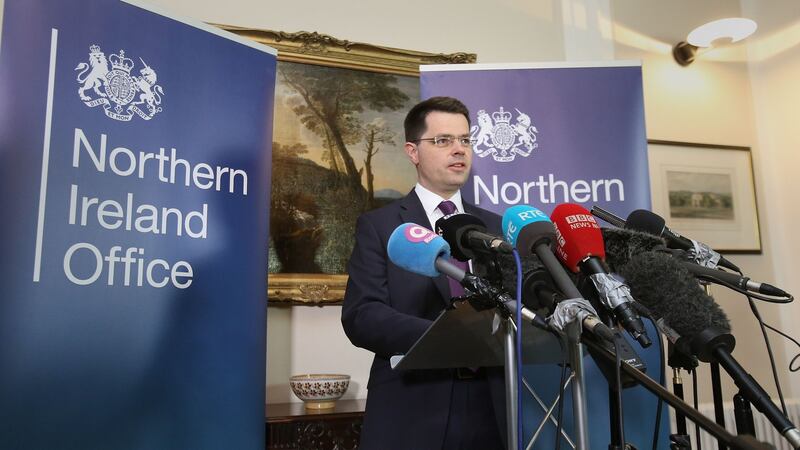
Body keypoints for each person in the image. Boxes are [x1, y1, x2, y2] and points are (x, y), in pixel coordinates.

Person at [341, 96, 506, 450]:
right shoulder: (380, 226)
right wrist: (448, 337)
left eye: (465, 140)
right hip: (413, 406)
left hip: (492, 406)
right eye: (443, 141)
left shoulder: (495, 227)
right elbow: (362, 314)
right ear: (413, 152)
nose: (459, 150)